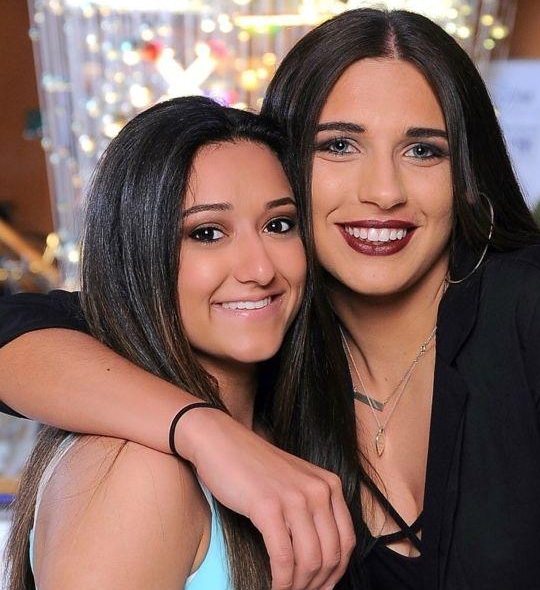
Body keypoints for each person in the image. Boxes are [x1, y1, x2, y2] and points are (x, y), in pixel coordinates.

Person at [2, 9, 540, 589]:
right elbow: (25, 325)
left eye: (422, 150)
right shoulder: (269, 328)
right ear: (288, 166)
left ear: (466, 173)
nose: (383, 191)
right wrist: (206, 433)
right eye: (339, 145)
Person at [4, 96, 355, 590]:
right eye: (207, 233)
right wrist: (201, 431)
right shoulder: (139, 471)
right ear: (137, 257)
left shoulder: (272, 434)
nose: (260, 269)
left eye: (279, 225)